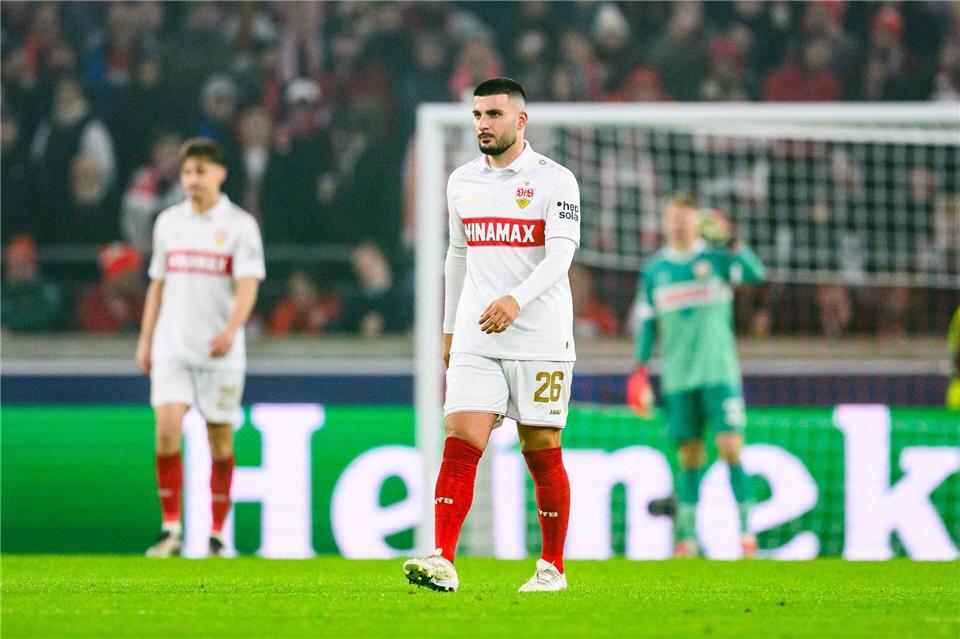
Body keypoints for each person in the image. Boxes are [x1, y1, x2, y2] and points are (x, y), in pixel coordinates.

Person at [402, 78, 580, 593]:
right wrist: (449, 327)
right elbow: (457, 255)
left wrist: (516, 300)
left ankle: (552, 568)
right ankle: (443, 558)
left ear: (520, 121)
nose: (483, 123)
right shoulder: (462, 181)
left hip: (540, 337)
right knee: (460, 438)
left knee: (542, 447)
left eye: (494, 115)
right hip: (478, 335)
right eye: (478, 115)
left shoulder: (555, 181)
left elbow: (560, 256)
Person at [136, 138, 265, 558]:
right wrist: (146, 339)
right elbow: (157, 284)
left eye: (200, 172)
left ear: (220, 174)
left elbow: (248, 285)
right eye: (187, 172)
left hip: (219, 352)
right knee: (167, 431)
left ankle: (216, 533)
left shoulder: (240, 225)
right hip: (172, 345)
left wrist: (231, 330)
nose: (192, 180)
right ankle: (170, 529)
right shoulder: (168, 222)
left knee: (220, 441)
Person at [630, 195, 765, 559]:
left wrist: (731, 241)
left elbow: (755, 274)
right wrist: (639, 370)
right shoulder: (655, 270)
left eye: (686, 219)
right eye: (674, 218)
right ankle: (687, 539)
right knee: (689, 456)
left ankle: (747, 534)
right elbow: (646, 323)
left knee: (730, 448)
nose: (679, 225)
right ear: (665, 222)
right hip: (678, 377)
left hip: (719, 372)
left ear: (697, 223)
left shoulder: (716, 259)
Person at [1, 234, 65, 332]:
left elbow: (47, 320)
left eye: (19, 265)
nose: (12, 270)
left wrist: (13, 328)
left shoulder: (46, 291)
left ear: (31, 265)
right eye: (10, 265)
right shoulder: (4, 291)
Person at [76, 243, 146, 334]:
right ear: (116, 276)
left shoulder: (140, 301)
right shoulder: (91, 299)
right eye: (131, 274)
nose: (137, 278)